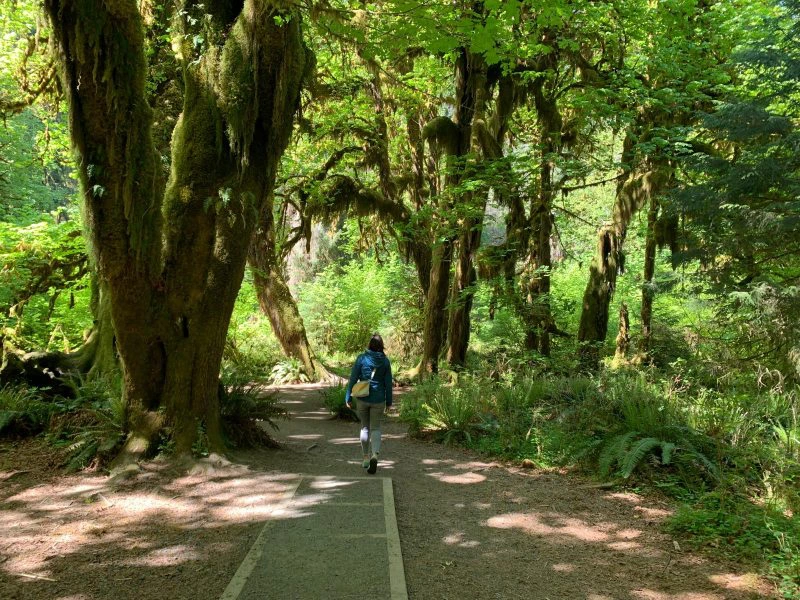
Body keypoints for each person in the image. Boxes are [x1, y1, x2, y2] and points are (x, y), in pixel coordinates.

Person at [345, 333, 393, 474]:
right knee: (376, 428)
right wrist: (389, 402)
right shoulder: (385, 361)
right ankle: (375, 455)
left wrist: (348, 397)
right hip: (378, 400)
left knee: (364, 428)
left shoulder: (362, 358)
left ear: (369, 344)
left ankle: (365, 457)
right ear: (381, 345)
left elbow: (353, 378)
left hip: (363, 398)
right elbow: (388, 384)